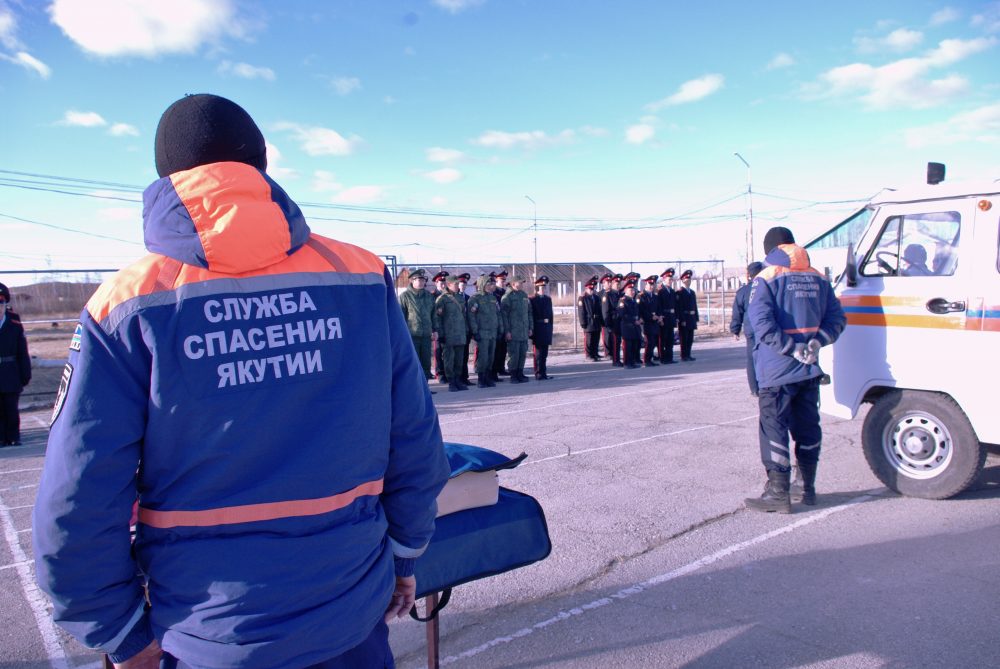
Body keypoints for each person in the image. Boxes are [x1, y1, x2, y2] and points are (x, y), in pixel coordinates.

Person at [32, 94, 450, 669]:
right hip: (350, 612)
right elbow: (415, 438)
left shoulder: (126, 304)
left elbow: (78, 493)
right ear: (261, 164)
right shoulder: (357, 272)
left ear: (168, 179)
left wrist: (120, 633)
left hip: (208, 631)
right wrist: (405, 555)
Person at [745, 226, 846, 513]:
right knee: (807, 427)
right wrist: (815, 343)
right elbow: (837, 319)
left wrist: (791, 348)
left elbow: (761, 325)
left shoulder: (766, 278)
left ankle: (778, 492)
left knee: (774, 428)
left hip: (777, 371)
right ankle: (808, 487)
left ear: (770, 250)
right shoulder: (818, 277)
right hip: (809, 370)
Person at [0, 283, 31, 446]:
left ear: (5, 304)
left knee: (11, 408)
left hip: (10, 372)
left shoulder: (14, 323)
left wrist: (25, 374)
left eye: (1, 302)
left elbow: (22, 352)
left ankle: (13, 436)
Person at [730, 262, 764, 396]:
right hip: (765, 328)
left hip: (750, 328)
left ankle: (754, 389)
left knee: (751, 358)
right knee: (766, 356)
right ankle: (765, 385)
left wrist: (735, 330)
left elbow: (737, 312)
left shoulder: (742, 291)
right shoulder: (766, 287)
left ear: (749, 275)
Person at [433, 274, 469, 392]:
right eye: (456, 284)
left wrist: (466, 330)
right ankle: (451, 382)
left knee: (459, 359)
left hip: (460, 334)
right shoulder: (442, 299)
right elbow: (437, 318)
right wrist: (440, 334)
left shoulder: (460, 298)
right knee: (449, 359)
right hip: (448, 335)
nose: (458, 286)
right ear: (449, 285)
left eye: (459, 284)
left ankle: (458, 380)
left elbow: (464, 315)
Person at [399, 268, 436, 380]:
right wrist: (403, 335)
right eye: (418, 280)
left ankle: (425, 388)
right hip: (412, 335)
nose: (421, 282)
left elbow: (433, 315)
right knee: (414, 362)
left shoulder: (429, 296)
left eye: (423, 280)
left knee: (426, 362)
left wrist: (435, 330)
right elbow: (401, 317)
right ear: (412, 281)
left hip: (426, 335)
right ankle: (415, 390)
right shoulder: (405, 296)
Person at [467, 274, 502, 388]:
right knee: (483, 357)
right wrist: (475, 331)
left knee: (491, 356)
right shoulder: (475, 298)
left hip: (492, 332)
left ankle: (488, 377)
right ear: (482, 284)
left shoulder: (492, 298)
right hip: (482, 332)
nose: (492, 285)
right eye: (489, 283)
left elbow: (498, 314)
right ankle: (481, 379)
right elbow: (471, 316)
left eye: (492, 283)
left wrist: (500, 329)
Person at [501, 275, 532, 383]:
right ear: (513, 284)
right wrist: (507, 331)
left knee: (522, 353)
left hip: (523, 330)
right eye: (520, 282)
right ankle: (513, 375)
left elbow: (529, 313)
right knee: (513, 354)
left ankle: (520, 373)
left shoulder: (524, 295)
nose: (522, 284)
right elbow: (504, 316)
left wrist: (530, 327)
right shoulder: (507, 297)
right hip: (513, 331)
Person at [529, 275, 554, 380]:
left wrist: (550, 328)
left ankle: (543, 373)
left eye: (545, 287)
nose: (543, 289)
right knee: (538, 353)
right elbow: (531, 315)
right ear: (537, 288)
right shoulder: (532, 299)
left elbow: (551, 315)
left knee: (545, 353)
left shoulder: (548, 299)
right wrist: (532, 330)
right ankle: (538, 373)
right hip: (538, 328)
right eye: (541, 287)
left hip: (546, 328)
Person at [616, 279, 642, 369]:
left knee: (634, 345)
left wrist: (639, 319)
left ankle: (632, 362)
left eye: (634, 290)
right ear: (625, 290)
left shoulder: (633, 301)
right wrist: (634, 320)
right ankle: (627, 363)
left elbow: (636, 313)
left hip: (635, 326)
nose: (633, 291)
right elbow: (622, 314)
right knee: (628, 346)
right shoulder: (623, 301)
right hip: (627, 327)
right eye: (631, 290)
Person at [577, 276, 603, 361]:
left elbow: (599, 310)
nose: (592, 290)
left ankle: (595, 353)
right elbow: (581, 311)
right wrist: (583, 323)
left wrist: (601, 321)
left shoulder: (596, 297)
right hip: (588, 322)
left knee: (596, 338)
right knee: (589, 340)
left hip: (596, 321)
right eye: (590, 289)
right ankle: (589, 355)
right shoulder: (583, 298)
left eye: (593, 289)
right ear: (586, 288)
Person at [431, 270, 450, 383]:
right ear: (436, 284)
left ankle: (447, 372)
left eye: (444, 282)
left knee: (447, 352)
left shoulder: (449, 296)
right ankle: (440, 373)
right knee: (438, 351)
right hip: (438, 328)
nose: (443, 285)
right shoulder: (433, 296)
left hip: (448, 328)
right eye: (440, 283)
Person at [675, 269, 699, 361]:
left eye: (689, 280)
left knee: (690, 338)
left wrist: (696, 317)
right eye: (686, 280)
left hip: (691, 318)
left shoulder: (692, 292)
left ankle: (688, 354)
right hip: (684, 318)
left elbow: (695, 306)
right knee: (684, 338)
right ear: (682, 281)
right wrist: (682, 319)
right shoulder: (680, 292)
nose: (688, 281)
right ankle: (683, 355)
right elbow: (679, 307)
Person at [638, 276, 661, 367]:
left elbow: (659, 308)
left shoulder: (655, 296)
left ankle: (650, 358)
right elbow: (642, 310)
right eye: (650, 284)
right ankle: (646, 360)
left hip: (654, 323)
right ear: (646, 284)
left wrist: (659, 316)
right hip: (646, 323)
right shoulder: (641, 296)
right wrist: (652, 316)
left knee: (654, 341)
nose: (652, 286)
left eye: (653, 284)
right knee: (649, 342)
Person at [491, 270, 509, 382]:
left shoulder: (504, 293)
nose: (503, 282)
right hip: (496, 324)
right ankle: (495, 370)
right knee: (496, 349)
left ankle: (501, 368)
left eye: (504, 280)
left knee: (503, 348)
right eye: (501, 280)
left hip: (503, 323)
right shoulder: (494, 293)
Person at [656, 268, 677, 364]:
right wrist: (660, 317)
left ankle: (670, 357)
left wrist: (675, 317)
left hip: (671, 317)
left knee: (670, 339)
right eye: (669, 279)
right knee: (662, 339)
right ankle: (662, 358)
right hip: (664, 317)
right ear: (664, 279)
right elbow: (658, 305)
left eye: (671, 279)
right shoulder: (660, 291)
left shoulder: (672, 291)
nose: (671, 281)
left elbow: (675, 305)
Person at [601, 274, 623, 367]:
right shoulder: (608, 294)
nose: (617, 285)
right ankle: (615, 360)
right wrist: (608, 325)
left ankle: (618, 359)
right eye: (615, 283)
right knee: (614, 342)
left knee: (618, 342)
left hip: (619, 322)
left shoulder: (618, 294)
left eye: (619, 283)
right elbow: (605, 311)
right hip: (613, 323)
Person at [456, 272, 473, 385]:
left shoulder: (468, 298)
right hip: (456, 330)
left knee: (465, 354)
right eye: (461, 283)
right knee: (458, 355)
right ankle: (457, 378)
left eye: (464, 284)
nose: (463, 286)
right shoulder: (453, 298)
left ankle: (464, 377)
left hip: (466, 330)